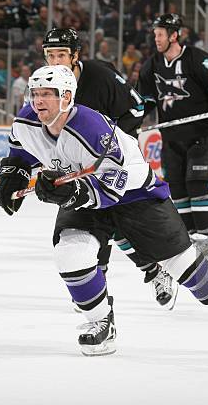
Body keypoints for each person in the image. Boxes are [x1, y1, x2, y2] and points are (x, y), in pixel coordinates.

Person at [0, 65, 208, 356]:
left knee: (183, 264)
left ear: (67, 96)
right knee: (70, 254)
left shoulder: (91, 126)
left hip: (135, 194)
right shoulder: (26, 121)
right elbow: (20, 150)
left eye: (47, 94)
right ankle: (101, 323)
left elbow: (115, 182)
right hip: (85, 194)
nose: (38, 101)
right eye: (35, 93)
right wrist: (14, 175)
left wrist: (74, 192)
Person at [26, 28, 175, 308]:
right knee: (98, 230)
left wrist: (112, 146)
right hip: (77, 170)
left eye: (61, 55)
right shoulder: (44, 86)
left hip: (111, 163)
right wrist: (22, 167)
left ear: (75, 56)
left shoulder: (99, 75)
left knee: (114, 220)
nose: (55, 61)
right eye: (50, 55)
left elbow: (136, 108)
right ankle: (119, 293)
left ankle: (150, 271)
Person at [139, 14, 208, 254]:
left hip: (203, 134)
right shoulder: (152, 65)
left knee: (197, 183)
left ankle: (203, 237)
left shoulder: (197, 60)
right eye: (155, 34)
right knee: (178, 188)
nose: (156, 38)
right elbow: (146, 101)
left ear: (174, 35)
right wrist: (131, 120)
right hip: (171, 137)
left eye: (160, 34)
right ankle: (189, 237)